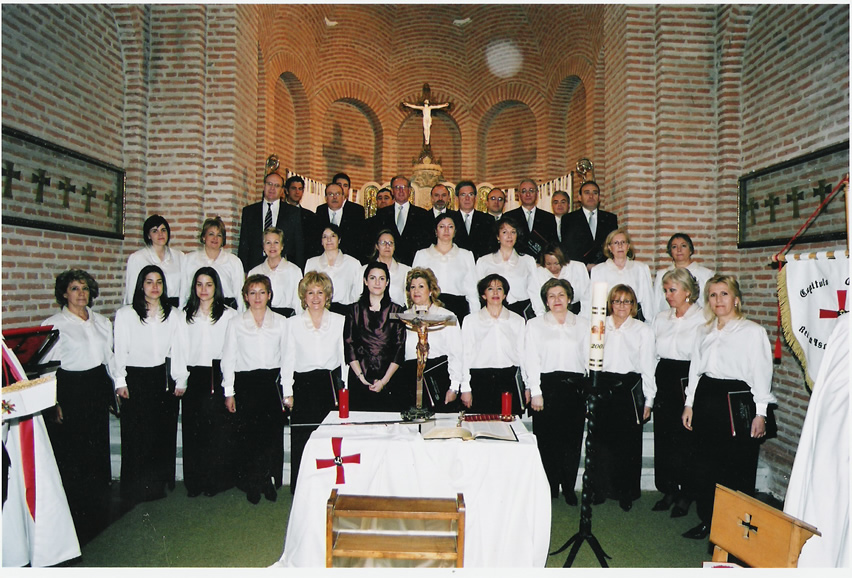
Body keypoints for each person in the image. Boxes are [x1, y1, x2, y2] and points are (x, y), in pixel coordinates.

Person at [681, 275, 775, 540]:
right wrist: (689, 403)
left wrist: (760, 413)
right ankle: (708, 521)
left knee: (735, 466)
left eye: (724, 294)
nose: (718, 300)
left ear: (736, 299)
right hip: (707, 397)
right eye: (713, 295)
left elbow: (761, 374)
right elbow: (695, 370)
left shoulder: (752, 331)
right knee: (705, 465)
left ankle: (735, 528)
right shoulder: (703, 330)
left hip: (737, 401)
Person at [41, 269, 117, 540]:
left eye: (84, 288)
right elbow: (47, 369)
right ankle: (76, 514)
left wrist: (115, 387)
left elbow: (108, 357)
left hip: (96, 385)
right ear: (64, 293)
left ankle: (98, 510)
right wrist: (54, 402)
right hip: (71, 390)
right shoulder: (54, 324)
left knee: (97, 447)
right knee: (74, 451)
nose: (81, 293)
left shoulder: (101, 321)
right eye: (74, 288)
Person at [113, 265, 182, 504]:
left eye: (159, 282)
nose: (155, 287)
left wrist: (180, 378)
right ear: (141, 285)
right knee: (135, 435)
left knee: (158, 433)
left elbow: (177, 349)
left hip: (160, 377)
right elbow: (119, 350)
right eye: (150, 281)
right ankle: (133, 489)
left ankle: (154, 487)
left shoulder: (173, 314)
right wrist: (120, 381)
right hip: (134, 378)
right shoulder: (126, 314)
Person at [173, 267, 239, 498]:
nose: (204, 289)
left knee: (217, 431)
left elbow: (231, 350)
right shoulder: (185, 315)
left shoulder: (229, 314)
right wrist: (181, 378)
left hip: (217, 373)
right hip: (194, 375)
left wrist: (228, 384)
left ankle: (216, 481)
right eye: (199, 284)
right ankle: (195, 482)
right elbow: (180, 349)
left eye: (209, 284)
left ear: (216, 287)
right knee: (194, 430)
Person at [222, 274, 288, 504]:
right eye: (252, 292)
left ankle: (267, 481)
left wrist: (287, 391)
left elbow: (287, 359)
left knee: (270, 436)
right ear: (245, 297)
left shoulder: (281, 322)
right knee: (249, 436)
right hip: (246, 385)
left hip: (271, 385)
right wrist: (229, 391)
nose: (257, 297)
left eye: (262, 292)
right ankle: (252, 483)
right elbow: (228, 358)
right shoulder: (236, 323)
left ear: (269, 295)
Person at [524, 278, 590, 505]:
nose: (557, 300)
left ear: (569, 298)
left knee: (572, 440)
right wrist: (535, 391)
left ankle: (569, 487)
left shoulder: (582, 324)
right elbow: (530, 359)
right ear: (545, 301)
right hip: (547, 387)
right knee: (547, 440)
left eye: (561, 295)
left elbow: (589, 358)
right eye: (551, 296)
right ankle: (549, 486)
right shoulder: (535, 325)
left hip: (575, 386)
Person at [282, 272, 347, 492]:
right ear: (304, 296)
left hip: (328, 385)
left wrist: (344, 389)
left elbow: (344, 358)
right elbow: (288, 359)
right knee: (303, 439)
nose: (316, 297)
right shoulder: (292, 324)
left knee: (328, 439)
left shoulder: (339, 321)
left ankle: (328, 487)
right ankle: (301, 490)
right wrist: (287, 391)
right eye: (310, 292)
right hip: (303, 385)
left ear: (327, 295)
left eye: (320, 292)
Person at [594, 284, 657, 512]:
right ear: (610, 304)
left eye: (627, 301)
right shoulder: (599, 326)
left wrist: (648, 399)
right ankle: (600, 489)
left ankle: (626, 492)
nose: (622, 306)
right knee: (601, 442)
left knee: (628, 444)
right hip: (603, 386)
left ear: (634, 306)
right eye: (617, 301)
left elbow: (648, 366)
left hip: (629, 389)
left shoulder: (643, 330)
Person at [651, 268, 705, 517]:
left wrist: (691, 399)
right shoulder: (661, 317)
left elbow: (700, 359)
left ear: (687, 291)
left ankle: (687, 494)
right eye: (665, 290)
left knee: (686, 440)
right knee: (664, 437)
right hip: (665, 376)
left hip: (688, 377)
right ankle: (669, 489)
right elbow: (653, 353)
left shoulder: (703, 319)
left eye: (672, 290)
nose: (667, 295)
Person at [343, 262, 407, 411]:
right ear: (365, 281)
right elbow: (349, 344)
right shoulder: (354, 310)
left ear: (387, 282)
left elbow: (399, 348)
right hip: (360, 379)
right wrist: (361, 378)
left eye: (382, 278)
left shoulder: (397, 311)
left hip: (389, 380)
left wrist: (384, 381)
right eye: (372, 278)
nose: (377, 283)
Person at [399, 267, 464, 412]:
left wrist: (454, 387)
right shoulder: (404, 317)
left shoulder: (446, 316)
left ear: (430, 290)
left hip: (438, 377)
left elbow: (456, 353)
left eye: (421, 286)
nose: (416, 291)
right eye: (412, 287)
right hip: (411, 377)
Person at [461, 274, 526, 415]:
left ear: (505, 294)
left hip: (508, 379)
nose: (495, 293)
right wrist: (465, 387)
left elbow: (523, 354)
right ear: (483, 295)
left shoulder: (517, 320)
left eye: (499, 289)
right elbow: (465, 354)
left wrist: (526, 386)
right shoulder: (470, 321)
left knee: (509, 426)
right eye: (490, 289)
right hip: (480, 380)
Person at [412, 213, 480, 322]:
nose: (446, 230)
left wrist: (475, 318)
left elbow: (472, 291)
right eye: (442, 226)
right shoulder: (422, 255)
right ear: (435, 231)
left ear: (455, 231)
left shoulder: (466, 255)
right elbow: (413, 287)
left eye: (450, 226)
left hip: (458, 309)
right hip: (430, 308)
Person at [238, 171, 306, 271]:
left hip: (283, 268)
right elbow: (244, 244)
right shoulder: (249, 211)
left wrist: (300, 271)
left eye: (277, 185)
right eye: (269, 184)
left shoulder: (292, 212)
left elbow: (298, 245)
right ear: (264, 186)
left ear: (282, 190)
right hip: (255, 267)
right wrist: (243, 270)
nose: (272, 188)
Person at [475, 216, 539, 320]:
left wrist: (539, 316)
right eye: (505, 232)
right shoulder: (484, 261)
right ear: (498, 236)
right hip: (493, 311)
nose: (509, 236)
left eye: (513, 232)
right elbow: (477, 292)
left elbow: (535, 291)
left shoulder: (527, 260)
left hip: (521, 311)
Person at [587, 228, 656, 322]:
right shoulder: (599, 270)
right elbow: (592, 300)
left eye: (623, 242)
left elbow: (648, 300)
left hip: (634, 319)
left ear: (628, 246)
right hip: (609, 320)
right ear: (609, 248)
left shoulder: (640, 268)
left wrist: (650, 322)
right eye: (616, 243)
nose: (620, 246)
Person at [184, 216, 245, 311]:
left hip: (226, 311)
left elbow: (239, 295)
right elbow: (185, 291)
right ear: (204, 237)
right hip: (198, 310)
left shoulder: (233, 261)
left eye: (219, 235)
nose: (215, 238)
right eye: (211, 234)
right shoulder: (189, 259)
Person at [124, 214, 184, 307]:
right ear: (148, 235)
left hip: (176, 309)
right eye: (155, 231)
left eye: (163, 230)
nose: (160, 234)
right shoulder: (138, 258)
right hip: (149, 308)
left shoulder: (179, 256)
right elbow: (132, 292)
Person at [374, 175, 433, 265]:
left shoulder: (422, 214)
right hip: (389, 263)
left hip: (414, 263)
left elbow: (425, 242)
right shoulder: (383, 213)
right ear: (392, 191)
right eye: (397, 187)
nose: (401, 191)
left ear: (409, 190)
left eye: (403, 187)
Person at [303, 224, 362, 314]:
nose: (329, 240)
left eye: (333, 236)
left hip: (345, 313)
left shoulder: (353, 263)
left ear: (339, 240)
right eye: (325, 237)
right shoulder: (311, 263)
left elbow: (358, 294)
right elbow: (306, 292)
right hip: (318, 311)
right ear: (321, 241)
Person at [652, 233, 714, 316]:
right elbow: (656, 304)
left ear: (690, 250)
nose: (679, 250)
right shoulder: (662, 274)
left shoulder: (706, 274)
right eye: (674, 247)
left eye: (683, 246)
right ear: (670, 251)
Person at [561, 180, 618, 269]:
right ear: (579, 197)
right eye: (587, 193)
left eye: (595, 193)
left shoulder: (610, 219)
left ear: (599, 198)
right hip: (579, 270)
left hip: (605, 269)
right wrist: (585, 265)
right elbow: (568, 247)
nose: (591, 196)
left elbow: (613, 245)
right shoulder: (569, 219)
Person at [247, 227, 302, 317]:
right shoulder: (254, 272)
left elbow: (298, 304)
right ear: (263, 247)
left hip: (287, 320)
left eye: (276, 242)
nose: (272, 246)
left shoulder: (294, 271)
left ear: (282, 246)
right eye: (268, 243)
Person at [530, 244, 590, 317]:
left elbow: (587, 297)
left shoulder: (578, 267)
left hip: (578, 313)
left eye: (556, 263)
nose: (552, 268)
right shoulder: (537, 273)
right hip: (550, 314)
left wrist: (582, 319)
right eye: (548, 264)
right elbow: (537, 301)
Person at [503, 178, 558, 257]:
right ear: (518, 194)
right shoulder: (509, 216)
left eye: (531, 191)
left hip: (541, 263)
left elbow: (553, 245)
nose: (528, 194)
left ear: (537, 193)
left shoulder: (548, 218)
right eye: (524, 191)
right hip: (516, 262)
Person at [315, 179, 366, 263]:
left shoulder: (355, 212)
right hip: (324, 260)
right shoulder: (320, 211)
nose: (334, 197)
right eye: (330, 194)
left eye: (338, 194)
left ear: (343, 197)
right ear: (325, 198)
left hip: (348, 261)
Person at [363, 228, 411, 307]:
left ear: (394, 247)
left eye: (390, 243)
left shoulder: (406, 271)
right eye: (383, 243)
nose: (387, 246)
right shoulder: (364, 270)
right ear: (377, 246)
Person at [451, 180, 494, 259]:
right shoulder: (450, 219)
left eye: (470, 194)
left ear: (476, 198)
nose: (467, 198)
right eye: (463, 195)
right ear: (457, 198)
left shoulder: (487, 220)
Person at [551, 190, 571, 255]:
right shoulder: (546, 223)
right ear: (552, 206)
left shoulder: (575, 223)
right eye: (556, 202)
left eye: (563, 202)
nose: (559, 205)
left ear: (568, 205)